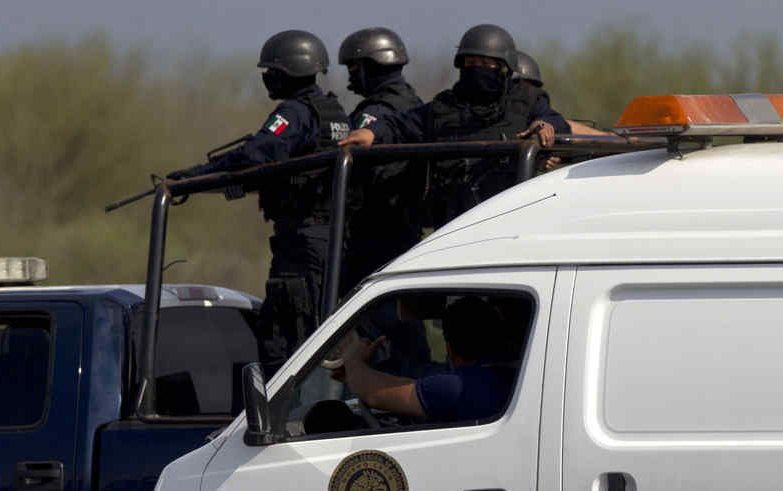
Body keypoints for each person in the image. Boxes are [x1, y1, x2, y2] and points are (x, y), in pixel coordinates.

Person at [167, 30, 351, 373]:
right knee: (316, 326)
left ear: (288, 70)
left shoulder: (294, 113)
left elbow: (255, 155)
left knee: (284, 332)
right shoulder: (334, 111)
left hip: (303, 238)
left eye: (271, 70)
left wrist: (193, 177)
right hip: (329, 235)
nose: (266, 77)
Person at [337, 24, 569, 227]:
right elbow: (401, 125)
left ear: (504, 68)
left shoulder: (526, 101)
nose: (477, 68)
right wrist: (372, 133)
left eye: (485, 63)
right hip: (453, 225)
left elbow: (556, 122)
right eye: (471, 62)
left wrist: (545, 126)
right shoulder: (442, 108)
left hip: (509, 218)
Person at [337, 27, 425, 292]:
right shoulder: (415, 104)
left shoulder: (377, 111)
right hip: (406, 229)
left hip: (374, 232)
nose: (351, 75)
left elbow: (348, 159)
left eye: (354, 67)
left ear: (372, 66)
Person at [335, 296, 512, 422]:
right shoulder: (513, 376)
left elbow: (373, 394)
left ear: (449, 348)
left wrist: (352, 358)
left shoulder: (455, 387)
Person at [511, 50, 610, 137]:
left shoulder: (536, 103)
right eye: (518, 85)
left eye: (531, 86)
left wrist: (543, 125)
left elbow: (555, 120)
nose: (525, 92)